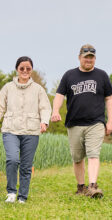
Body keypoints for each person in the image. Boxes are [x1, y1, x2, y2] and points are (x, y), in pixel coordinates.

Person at [51, 44, 112, 198]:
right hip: (74, 123)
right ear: (80, 57)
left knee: (93, 154)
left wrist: (110, 121)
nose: (89, 60)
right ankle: (81, 187)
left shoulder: (102, 75)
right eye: (86, 57)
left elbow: (109, 99)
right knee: (77, 158)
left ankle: (93, 186)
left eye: (91, 57)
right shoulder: (69, 75)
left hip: (96, 122)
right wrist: (55, 111)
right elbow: (59, 95)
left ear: (95, 59)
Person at [0, 56, 52, 203]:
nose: (24, 71)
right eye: (22, 68)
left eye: (28, 68)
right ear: (17, 69)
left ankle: (22, 196)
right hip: (10, 129)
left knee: (26, 165)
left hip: (31, 131)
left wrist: (44, 122)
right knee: (12, 159)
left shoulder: (38, 90)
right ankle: (11, 192)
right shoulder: (7, 88)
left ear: (31, 70)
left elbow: (45, 108)